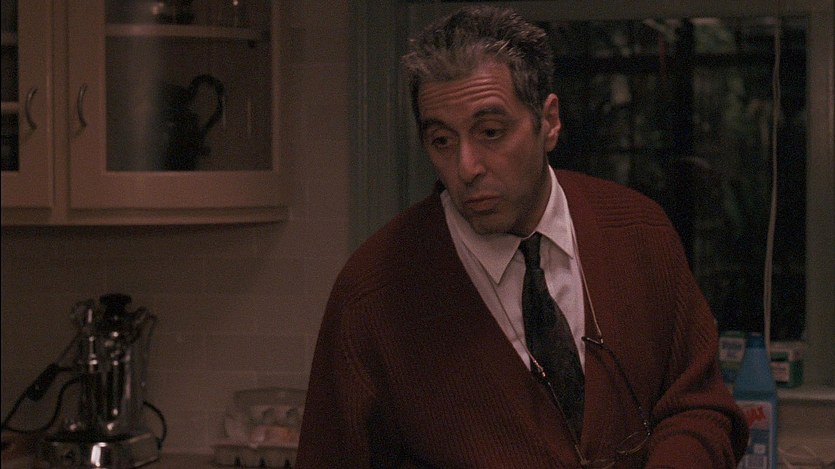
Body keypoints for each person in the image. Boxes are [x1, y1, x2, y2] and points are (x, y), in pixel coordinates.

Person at [296, 6, 748, 468]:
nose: (467, 168)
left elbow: (700, 408)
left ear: (548, 122)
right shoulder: (374, 294)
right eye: (442, 141)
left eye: (490, 132)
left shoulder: (639, 233)